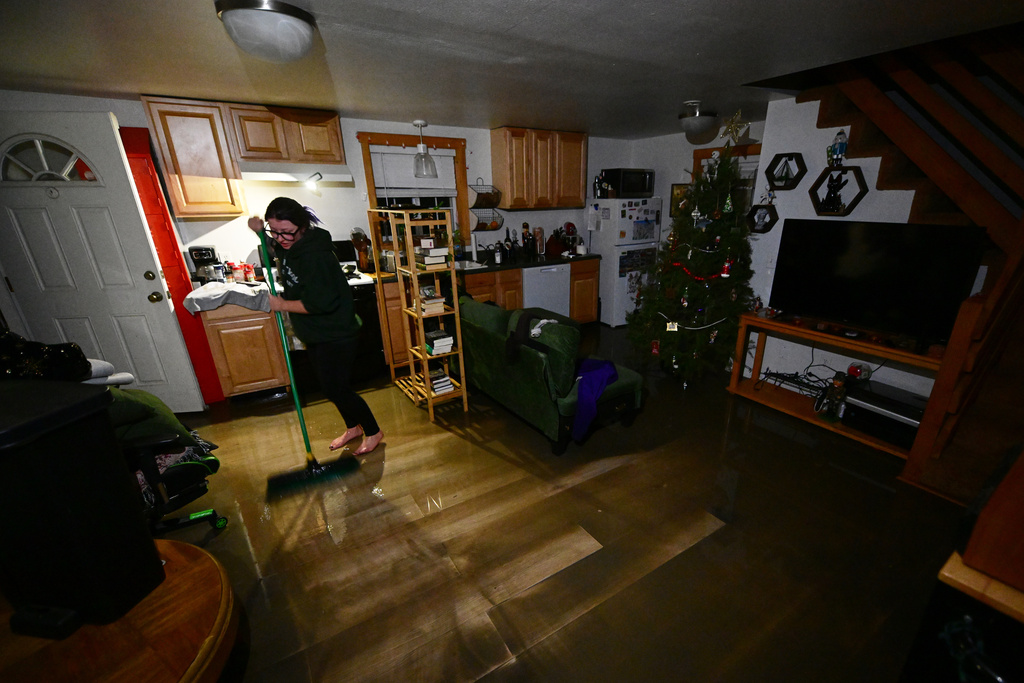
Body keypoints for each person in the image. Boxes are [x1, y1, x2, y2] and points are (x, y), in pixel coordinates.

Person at [248, 197, 384, 455]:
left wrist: (281, 305)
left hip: (336, 331)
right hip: (316, 332)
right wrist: (260, 233)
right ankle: (353, 428)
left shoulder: (316, 256)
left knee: (338, 388)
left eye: (286, 232)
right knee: (329, 387)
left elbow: (318, 303)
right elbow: (275, 250)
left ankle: (373, 430)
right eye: (274, 231)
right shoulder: (290, 244)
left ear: (302, 226)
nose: (280, 238)